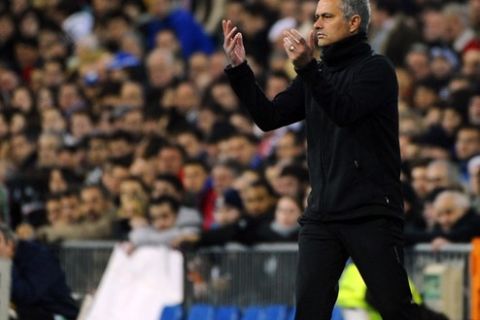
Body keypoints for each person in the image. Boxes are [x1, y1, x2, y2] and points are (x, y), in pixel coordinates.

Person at [222, 0, 420, 318]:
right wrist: (239, 69)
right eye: (315, 17)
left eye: (326, 16)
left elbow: (344, 110)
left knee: (396, 309)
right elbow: (269, 117)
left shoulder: (376, 69)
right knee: (309, 312)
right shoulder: (317, 73)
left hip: (370, 212)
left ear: (354, 22)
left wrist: (308, 67)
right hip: (322, 215)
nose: (316, 24)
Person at [0, 224, 78, 320]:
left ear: (10, 244)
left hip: (58, 314)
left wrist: (6, 262)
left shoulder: (38, 257)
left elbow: (25, 296)